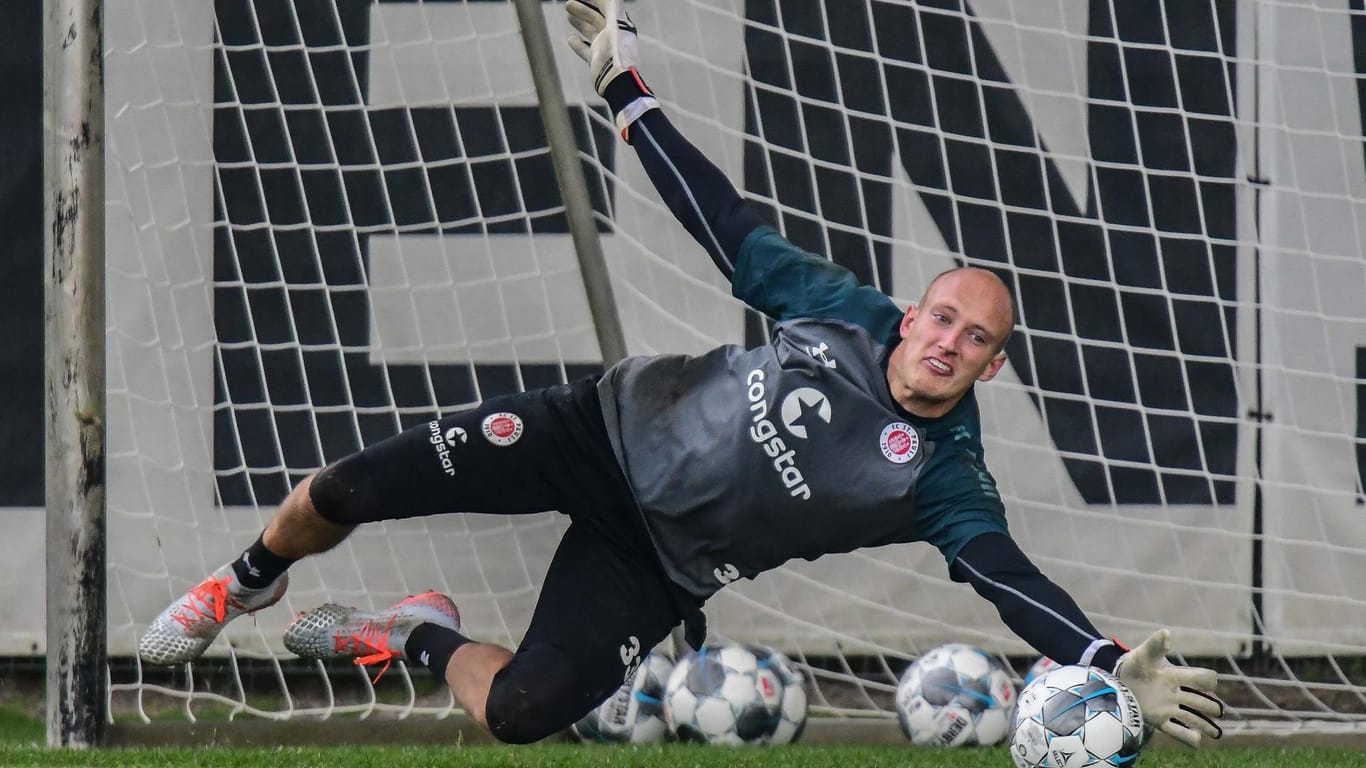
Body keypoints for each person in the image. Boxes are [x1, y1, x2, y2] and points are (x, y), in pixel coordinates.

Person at [139, 0, 1224, 747]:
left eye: (974, 338)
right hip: (595, 430)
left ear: (993, 366)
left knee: (521, 715)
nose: (946, 340)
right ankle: (243, 580)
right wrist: (625, 88)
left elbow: (1005, 578)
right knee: (345, 491)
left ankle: (414, 628)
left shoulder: (941, 476)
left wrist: (1102, 657)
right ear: (915, 314)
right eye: (941, 316)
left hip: (658, 559)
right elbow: (722, 223)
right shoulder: (843, 309)